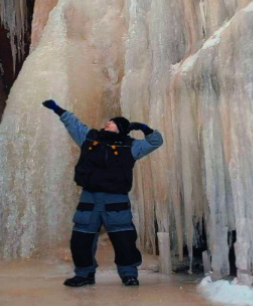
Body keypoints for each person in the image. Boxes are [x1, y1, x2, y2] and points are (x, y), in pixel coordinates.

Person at [42, 99, 163, 287]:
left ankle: (129, 274)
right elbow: (74, 124)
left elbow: (156, 142)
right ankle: (84, 274)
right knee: (80, 239)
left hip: (116, 200)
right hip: (89, 197)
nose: (108, 123)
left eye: (113, 122)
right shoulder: (89, 138)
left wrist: (145, 129)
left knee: (124, 240)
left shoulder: (130, 146)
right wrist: (58, 110)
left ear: (121, 129)